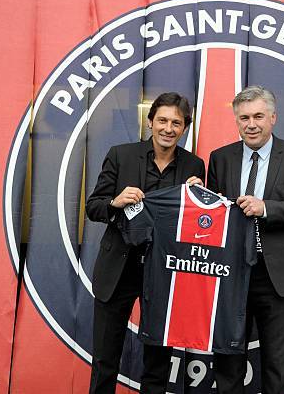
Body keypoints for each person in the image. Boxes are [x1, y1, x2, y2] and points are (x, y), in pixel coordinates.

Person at [193, 85, 284, 393]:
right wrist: (197, 197)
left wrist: (266, 208)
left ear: (273, 118)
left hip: (277, 276)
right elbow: (214, 215)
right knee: (228, 362)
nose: (251, 124)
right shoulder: (220, 158)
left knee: (278, 367)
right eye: (243, 118)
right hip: (231, 275)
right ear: (236, 121)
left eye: (258, 116)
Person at [86, 92, 205, 394]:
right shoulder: (120, 154)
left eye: (176, 123)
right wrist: (115, 202)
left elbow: (197, 225)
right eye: (162, 120)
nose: (168, 128)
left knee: (158, 362)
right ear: (150, 122)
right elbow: (93, 206)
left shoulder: (194, 166)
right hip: (119, 269)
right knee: (105, 357)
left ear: (184, 128)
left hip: (164, 272)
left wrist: (199, 199)